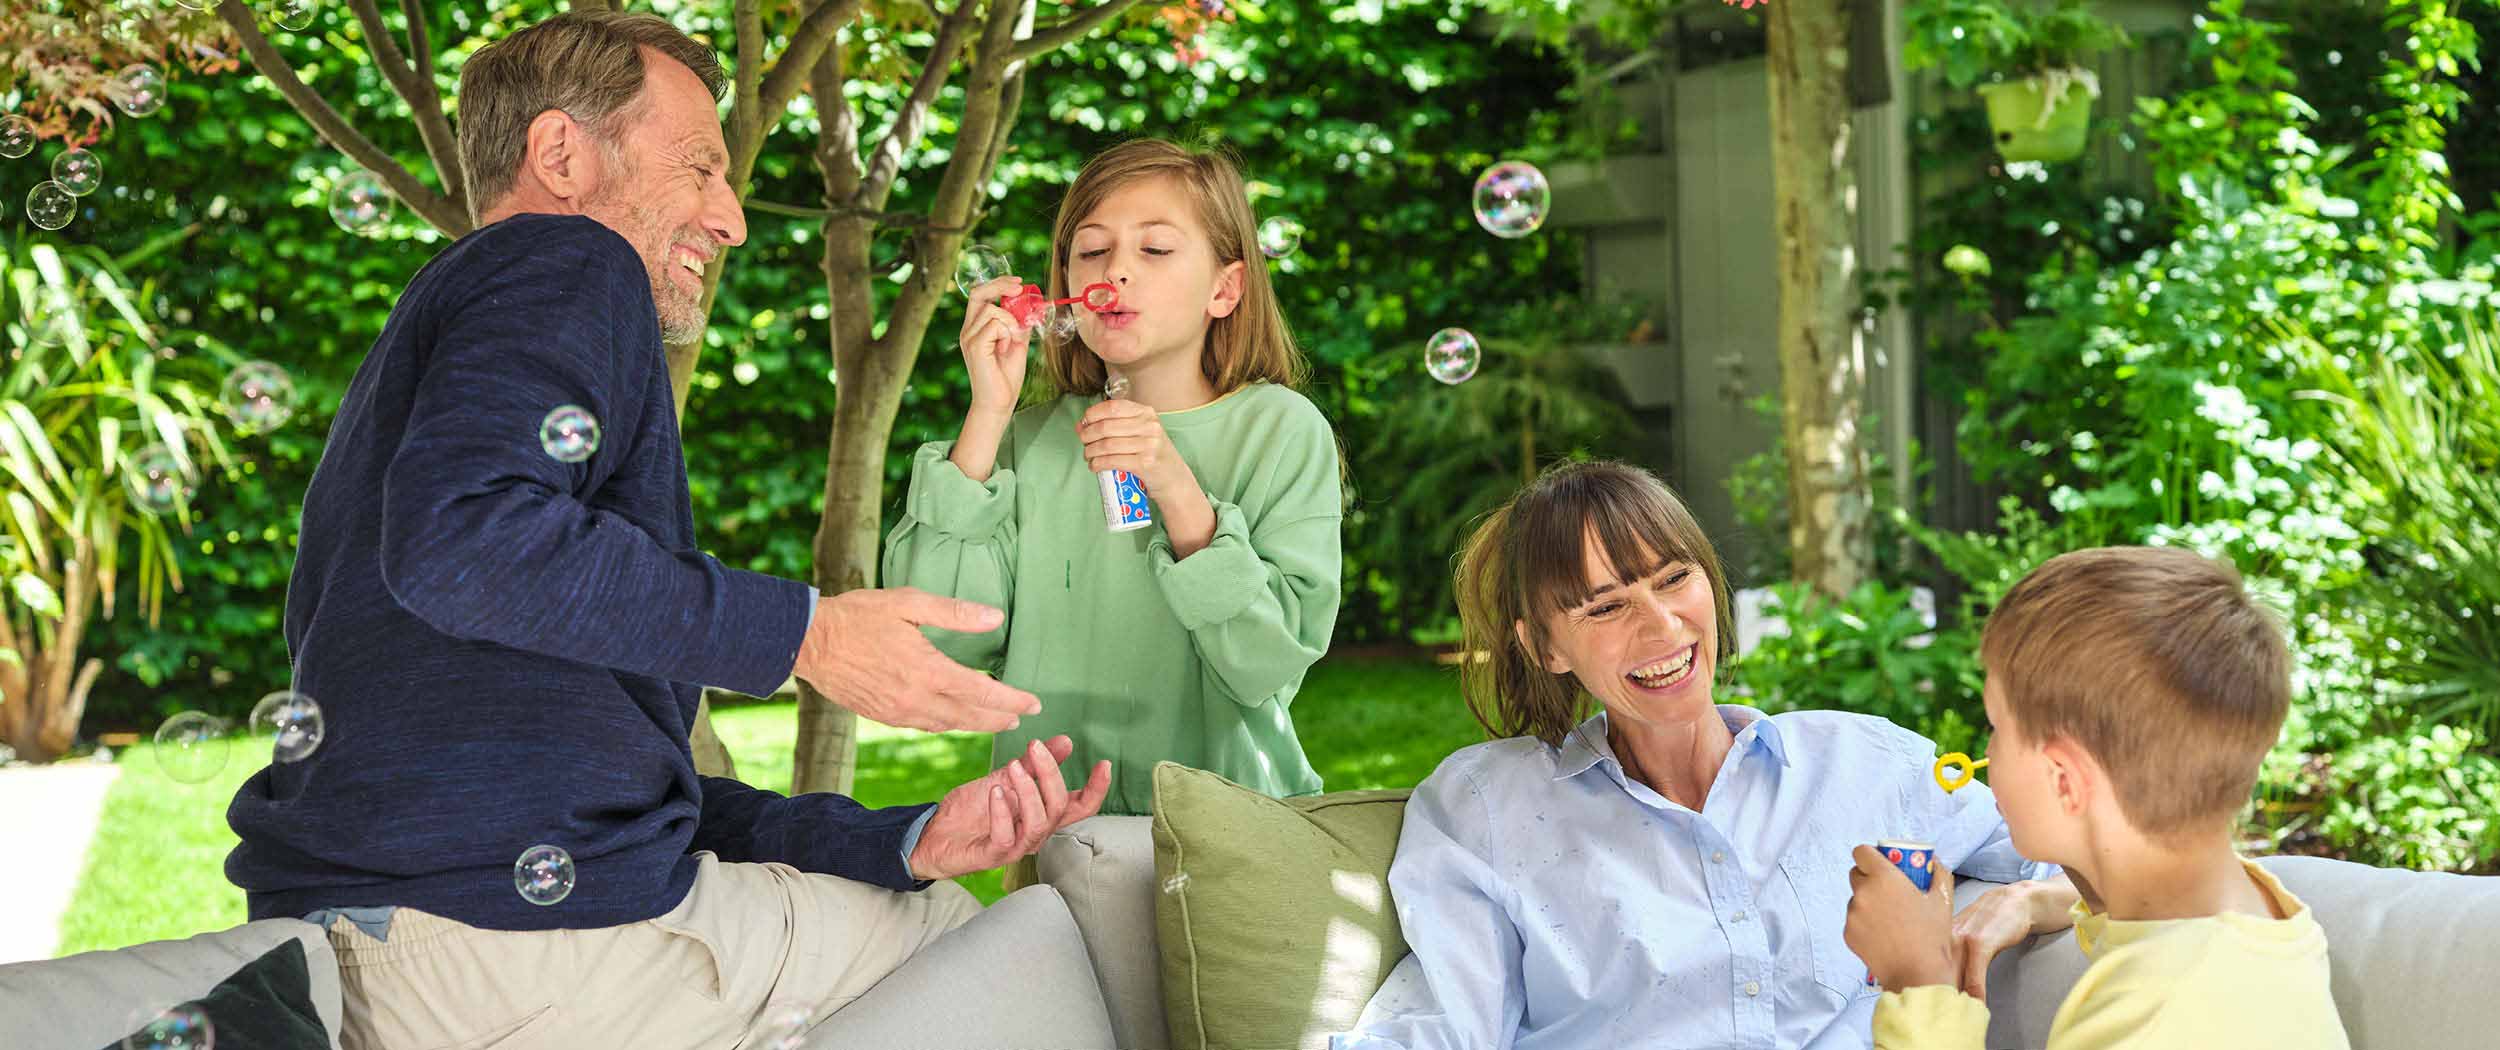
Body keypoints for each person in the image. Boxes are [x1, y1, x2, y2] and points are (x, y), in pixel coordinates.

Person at [223, 13, 1107, 1048]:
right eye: (698, 168)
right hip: (503, 950)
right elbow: (463, 541)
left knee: (911, 909)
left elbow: (636, 810)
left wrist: (901, 835)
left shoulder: (443, 367)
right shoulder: (565, 256)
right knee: (989, 952)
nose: (730, 218)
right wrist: (808, 634)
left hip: (401, 954)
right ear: (560, 155)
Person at [1333, 460, 2071, 1050]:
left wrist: (2026, 900)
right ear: (1544, 647)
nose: (1662, 628)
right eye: (1606, 606)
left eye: (1673, 578)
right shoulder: (1489, 809)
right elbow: (1442, 1024)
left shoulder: (1862, 762)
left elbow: (2108, 863)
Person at [883, 138, 1342, 816]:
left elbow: (1267, 662)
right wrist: (988, 413)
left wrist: (1175, 486)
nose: (1117, 270)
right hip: (1054, 829)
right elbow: (943, 639)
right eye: (1093, 251)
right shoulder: (1025, 441)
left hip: (1227, 829)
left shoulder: (1281, 431)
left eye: (1154, 250)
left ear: (1226, 288)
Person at [1843, 546, 2350, 1049]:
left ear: (2064, 779)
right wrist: (2039, 895)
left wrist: (1917, 980)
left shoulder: (2155, 1015)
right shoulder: (2247, 921)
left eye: (1997, 729)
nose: (1988, 755)